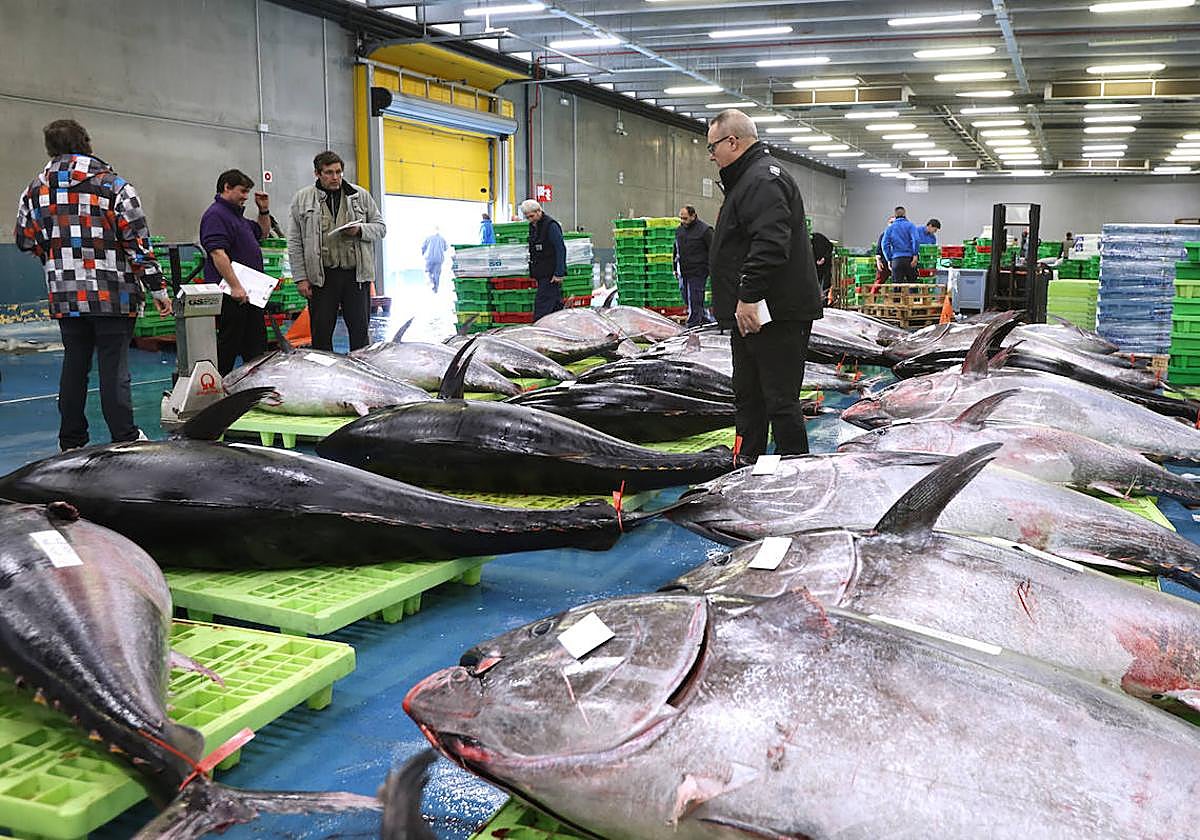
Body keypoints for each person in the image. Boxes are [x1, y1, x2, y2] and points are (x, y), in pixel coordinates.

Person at [15, 119, 172, 450]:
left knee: (75, 366)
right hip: (112, 294)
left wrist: (54, 255)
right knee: (113, 368)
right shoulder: (114, 186)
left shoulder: (33, 192)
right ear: (86, 142)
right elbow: (137, 245)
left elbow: (24, 240)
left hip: (65, 295)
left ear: (50, 148)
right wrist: (158, 289)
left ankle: (71, 440)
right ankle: (124, 436)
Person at [706, 109, 823, 460]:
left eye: (712, 147)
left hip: (773, 313)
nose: (710, 156)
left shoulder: (761, 180)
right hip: (756, 315)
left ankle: (796, 476)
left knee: (779, 401)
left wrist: (748, 297)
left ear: (732, 141)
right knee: (749, 397)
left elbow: (770, 244)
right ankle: (748, 469)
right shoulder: (748, 179)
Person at [287, 151, 386, 352]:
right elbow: (295, 242)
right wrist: (301, 278)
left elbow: (381, 227)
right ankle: (325, 379)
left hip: (356, 276)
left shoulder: (360, 196)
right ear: (317, 173)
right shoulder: (302, 199)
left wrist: (360, 230)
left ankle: (361, 377)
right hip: (322, 278)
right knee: (321, 335)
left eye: (339, 172)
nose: (335, 177)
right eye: (329, 173)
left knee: (360, 334)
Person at [200, 169, 271, 374]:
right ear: (226, 187)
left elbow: (263, 234)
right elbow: (217, 253)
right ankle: (219, 385)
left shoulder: (237, 217)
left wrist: (264, 211)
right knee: (229, 344)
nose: (246, 197)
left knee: (256, 343)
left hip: (250, 295)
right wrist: (235, 286)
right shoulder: (216, 215)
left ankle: (254, 384)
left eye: (248, 192)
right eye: (242, 191)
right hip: (233, 295)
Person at [521, 199, 567, 320]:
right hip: (541, 273)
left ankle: (538, 333)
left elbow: (560, 249)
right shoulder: (533, 226)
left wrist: (559, 273)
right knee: (555, 307)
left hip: (551, 275)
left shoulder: (551, 226)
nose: (530, 219)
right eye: (527, 217)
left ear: (539, 211)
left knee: (542, 308)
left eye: (531, 216)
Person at [674, 205, 714, 327]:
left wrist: (710, 268)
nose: (683, 221)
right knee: (686, 297)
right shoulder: (679, 230)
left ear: (693, 216)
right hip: (683, 271)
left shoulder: (705, 230)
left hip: (698, 271)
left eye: (685, 218)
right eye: (681, 218)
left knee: (695, 299)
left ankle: (693, 325)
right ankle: (704, 319)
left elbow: (713, 250)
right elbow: (675, 250)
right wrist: (674, 268)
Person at [881, 206, 920, 284]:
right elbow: (916, 239)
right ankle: (913, 296)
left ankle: (897, 296)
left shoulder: (890, 228)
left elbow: (884, 244)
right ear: (905, 214)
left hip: (896, 260)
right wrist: (915, 255)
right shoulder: (911, 226)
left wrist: (889, 259)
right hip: (910, 259)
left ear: (895, 215)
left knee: (897, 287)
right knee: (912, 286)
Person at [421, 228, 448, 293]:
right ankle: (436, 289)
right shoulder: (442, 239)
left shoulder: (428, 238)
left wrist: (422, 253)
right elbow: (445, 248)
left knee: (427, 271)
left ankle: (431, 281)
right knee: (437, 274)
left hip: (429, 258)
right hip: (439, 259)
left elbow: (423, 247)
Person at [811, 231, 834, 297]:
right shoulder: (806, 244)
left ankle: (824, 296)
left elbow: (830, 246)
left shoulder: (818, 238)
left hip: (825, 265)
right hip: (816, 266)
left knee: (824, 281)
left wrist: (824, 258)